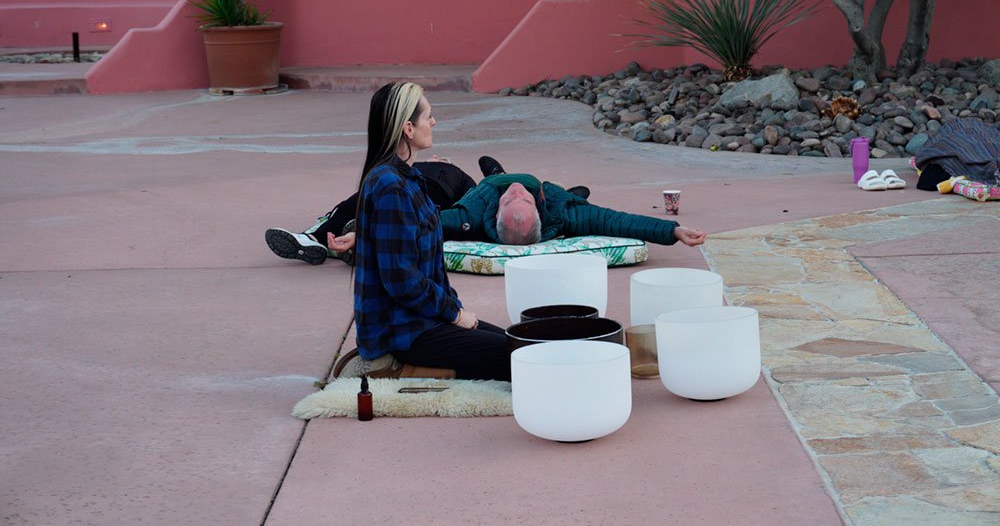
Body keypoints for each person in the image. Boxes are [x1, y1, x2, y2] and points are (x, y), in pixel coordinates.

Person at [340, 82, 510, 381]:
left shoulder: (409, 179)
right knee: (521, 358)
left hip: (425, 320)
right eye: (428, 116)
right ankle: (395, 367)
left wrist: (452, 311)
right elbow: (402, 280)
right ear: (408, 128)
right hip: (404, 333)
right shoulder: (391, 186)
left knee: (520, 343)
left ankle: (436, 366)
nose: (433, 122)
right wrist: (454, 314)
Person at [265, 156, 590, 266]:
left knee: (373, 190)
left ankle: (319, 236)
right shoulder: (491, 206)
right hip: (448, 197)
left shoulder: (477, 204)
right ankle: (346, 236)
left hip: (445, 190)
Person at [439, 174, 707, 248]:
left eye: (520, 199)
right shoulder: (563, 215)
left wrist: (671, 230)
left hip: (491, 185)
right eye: (515, 200)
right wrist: (674, 231)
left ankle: (497, 173)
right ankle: (575, 196)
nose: (518, 190)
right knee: (576, 203)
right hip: (550, 191)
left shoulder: (470, 219)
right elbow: (616, 222)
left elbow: (422, 220)